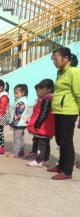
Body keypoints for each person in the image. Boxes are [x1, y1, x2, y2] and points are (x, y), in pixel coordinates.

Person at [47, 47, 80, 180]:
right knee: (60, 140)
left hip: (68, 112)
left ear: (65, 59)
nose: (54, 61)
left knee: (66, 141)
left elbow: (79, 94)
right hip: (59, 111)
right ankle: (61, 165)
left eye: (56, 58)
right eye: (53, 59)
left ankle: (67, 171)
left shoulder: (74, 72)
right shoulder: (60, 73)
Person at [26, 79, 55, 167]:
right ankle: (45, 159)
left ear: (49, 89)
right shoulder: (44, 98)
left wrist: (37, 124)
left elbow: (44, 113)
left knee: (42, 144)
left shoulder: (47, 99)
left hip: (43, 127)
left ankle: (38, 160)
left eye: (40, 89)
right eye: (37, 90)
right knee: (44, 143)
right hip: (43, 126)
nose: (38, 92)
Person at [8, 84, 30, 158]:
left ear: (23, 93)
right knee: (21, 138)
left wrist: (13, 124)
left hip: (18, 123)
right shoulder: (22, 100)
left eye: (17, 93)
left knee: (17, 139)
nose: (15, 95)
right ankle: (21, 152)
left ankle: (15, 153)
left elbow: (17, 114)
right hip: (22, 123)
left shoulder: (21, 102)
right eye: (14, 93)